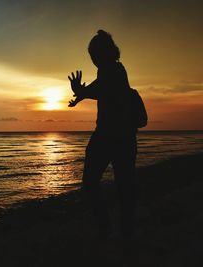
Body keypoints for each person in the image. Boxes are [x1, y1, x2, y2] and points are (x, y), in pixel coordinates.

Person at [68, 30, 137, 241]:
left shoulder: (114, 70)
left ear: (104, 53)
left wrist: (81, 92)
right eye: (91, 55)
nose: (93, 59)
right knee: (121, 186)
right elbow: (100, 89)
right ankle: (120, 232)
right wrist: (81, 95)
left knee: (93, 184)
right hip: (120, 137)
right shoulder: (112, 71)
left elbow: (102, 88)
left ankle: (112, 231)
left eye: (94, 54)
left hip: (111, 137)